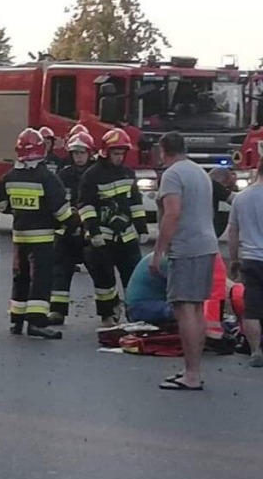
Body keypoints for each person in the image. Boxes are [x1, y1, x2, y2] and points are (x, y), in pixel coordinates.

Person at [151, 130, 220, 390]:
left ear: (162, 150)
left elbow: (173, 214)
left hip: (187, 247)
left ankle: (191, 374)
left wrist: (158, 251)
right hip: (206, 244)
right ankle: (193, 369)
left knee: (184, 308)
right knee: (196, 307)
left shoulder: (172, 174)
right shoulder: (200, 172)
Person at [0, 127, 72, 339]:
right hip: (43, 237)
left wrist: (13, 210)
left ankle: (16, 320)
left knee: (21, 277)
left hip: (20, 236)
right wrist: (73, 225)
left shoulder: (10, 176)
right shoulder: (46, 177)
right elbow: (61, 210)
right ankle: (37, 322)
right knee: (41, 278)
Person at [80, 127, 149, 325]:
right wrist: (93, 232)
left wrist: (142, 228)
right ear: (106, 152)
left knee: (134, 278)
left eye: (121, 154)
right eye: (115, 153)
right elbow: (86, 205)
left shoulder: (128, 173)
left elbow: (135, 202)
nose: (119, 157)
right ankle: (107, 314)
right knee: (104, 281)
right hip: (103, 237)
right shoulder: (92, 175)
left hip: (127, 237)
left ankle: (133, 312)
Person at [48, 130, 94, 324]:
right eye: (75, 153)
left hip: (91, 231)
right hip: (67, 230)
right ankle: (57, 311)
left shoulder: (96, 174)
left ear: (89, 153)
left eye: (82, 153)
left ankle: (109, 312)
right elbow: (56, 201)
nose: (79, 157)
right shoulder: (63, 175)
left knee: (101, 272)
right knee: (60, 271)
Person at [227, 173, 263, 368]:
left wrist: (233, 259)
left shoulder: (241, 197)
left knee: (252, 309)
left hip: (250, 259)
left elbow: (233, 231)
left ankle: (256, 350)